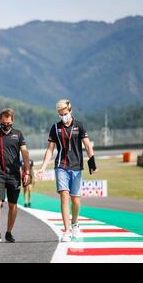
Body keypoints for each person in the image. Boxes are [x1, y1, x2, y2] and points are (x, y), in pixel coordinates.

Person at [37, 99, 97, 242]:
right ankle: (67, 230)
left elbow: (88, 146)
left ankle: (75, 224)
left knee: (75, 200)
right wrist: (43, 168)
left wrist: (92, 162)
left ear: (70, 111)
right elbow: (50, 150)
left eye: (65, 113)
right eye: (60, 114)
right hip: (61, 166)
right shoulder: (55, 128)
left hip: (76, 167)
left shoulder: (79, 126)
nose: (63, 117)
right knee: (64, 195)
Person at [0, 108, 31, 243]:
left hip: (14, 175)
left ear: (12, 121)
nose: (6, 126)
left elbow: (25, 153)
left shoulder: (18, 134)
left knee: (13, 204)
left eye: (8, 123)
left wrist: (27, 171)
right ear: (0, 121)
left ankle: (9, 232)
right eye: (3, 123)